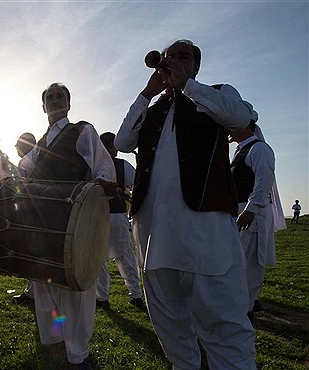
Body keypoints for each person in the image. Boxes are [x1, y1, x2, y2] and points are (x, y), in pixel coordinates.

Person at [114, 40, 258, 369]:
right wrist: (147, 94)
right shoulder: (153, 111)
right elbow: (123, 142)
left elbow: (239, 119)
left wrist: (188, 86)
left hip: (204, 230)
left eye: (183, 57)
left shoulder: (217, 95)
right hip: (153, 235)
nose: (174, 63)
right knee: (170, 325)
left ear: (196, 66)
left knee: (223, 324)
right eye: (168, 59)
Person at [6, 82, 115, 368]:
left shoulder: (82, 130)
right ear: (43, 107)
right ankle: (54, 342)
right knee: (42, 280)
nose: (55, 100)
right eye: (49, 98)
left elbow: (102, 165)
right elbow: (21, 171)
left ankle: (77, 352)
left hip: (72, 217)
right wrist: (0, 160)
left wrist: (101, 186)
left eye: (60, 96)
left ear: (68, 102)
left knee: (75, 284)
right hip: (43, 220)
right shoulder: (40, 144)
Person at [230, 122, 284, 321]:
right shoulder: (241, 151)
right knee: (240, 259)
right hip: (240, 210)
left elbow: (263, 181)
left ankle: (247, 306)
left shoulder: (259, 149)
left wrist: (250, 209)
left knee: (252, 260)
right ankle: (241, 303)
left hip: (253, 212)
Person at [95, 132, 144, 310]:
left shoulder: (94, 166)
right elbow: (136, 187)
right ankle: (136, 294)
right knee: (125, 256)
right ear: (112, 147)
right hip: (117, 214)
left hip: (98, 216)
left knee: (100, 259)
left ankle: (102, 298)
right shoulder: (123, 165)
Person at [0, 132, 37, 305]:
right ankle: (32, 292)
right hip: (40, 211)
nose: (17, 149)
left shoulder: (29, 160)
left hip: (36, 213)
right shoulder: (35, 157)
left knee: (34, 253)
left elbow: (13, 181)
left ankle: (34, 294)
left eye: (18, 146)